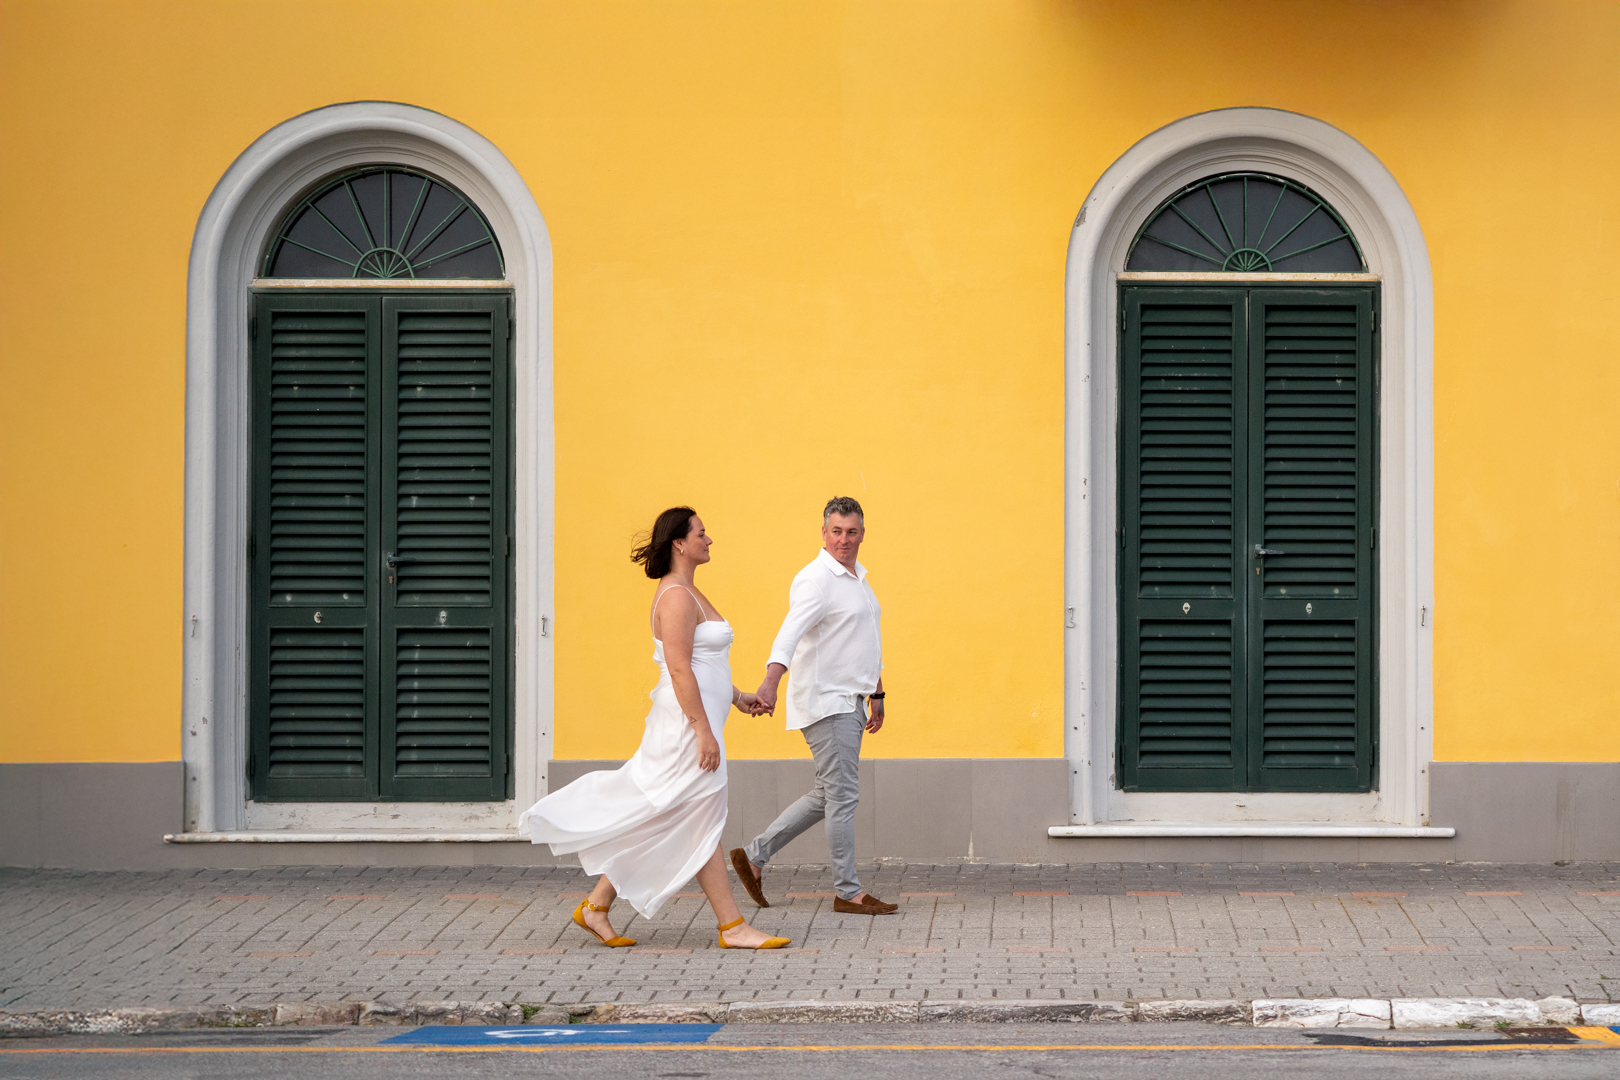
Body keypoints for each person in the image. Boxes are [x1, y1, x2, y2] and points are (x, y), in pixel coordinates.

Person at [518, 507, 790, 950]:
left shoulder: (688, 592)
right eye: (702, 533)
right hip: (685, 726)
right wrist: (703, 730)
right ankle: (732, 926)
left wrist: (737, 697)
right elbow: (681, 671)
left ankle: (596, 907)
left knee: (671, 815)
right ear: (680, 543)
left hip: (696, 718)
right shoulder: (677, 598)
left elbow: (704, 666)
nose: (710, 539)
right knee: (699, 816)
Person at [729, 496, 896, 916]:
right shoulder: (816, 579)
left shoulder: (857, 578)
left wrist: (876, 693)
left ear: (862, 533)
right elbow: (789, 633)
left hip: (851, 699)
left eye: (852, 531)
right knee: (843, 795)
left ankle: (753, 856)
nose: (844, 539)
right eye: (836, 531)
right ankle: (848, 891)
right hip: (827, 702)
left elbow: (864, 641)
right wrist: (770, 681)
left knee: (829, 793)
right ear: (823, 533)